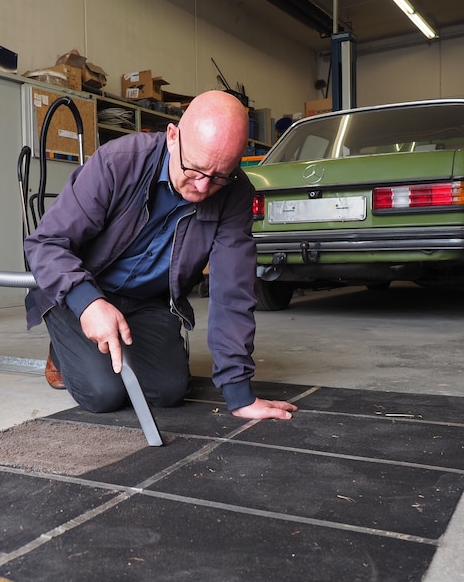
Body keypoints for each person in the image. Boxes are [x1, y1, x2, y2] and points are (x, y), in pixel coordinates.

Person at [24, 90, 298, 420]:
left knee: (169, 391)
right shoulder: (118, 162)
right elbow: (47, 243)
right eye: (194, 169)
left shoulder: (235, 193)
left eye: (218, 177)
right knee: (103, 393)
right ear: (172, 136)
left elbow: (233, 290)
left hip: (147, 302)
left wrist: (239, 394)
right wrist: (88, 303)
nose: (202, 187)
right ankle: (63, 348)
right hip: (81, 290)